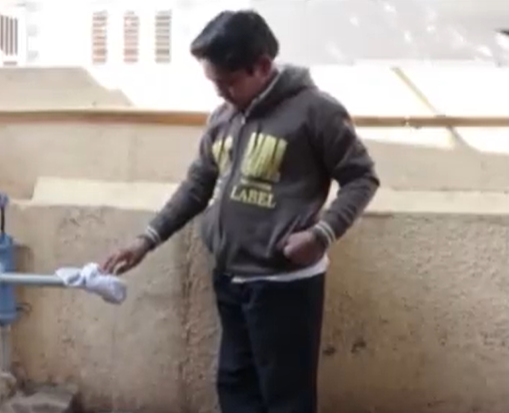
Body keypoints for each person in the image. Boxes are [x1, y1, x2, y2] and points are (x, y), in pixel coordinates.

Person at [102, 10, 379, 413]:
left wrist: (322, 234)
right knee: (235, 387)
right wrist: (146, 239)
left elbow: (361, 178)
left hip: (285, 285)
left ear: (263, 66)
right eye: (215, 84)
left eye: (229, 83)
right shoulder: (224, 118)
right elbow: (197, 186)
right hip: (231, 279)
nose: (221, 93)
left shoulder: (316, 112)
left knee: (285, 398)